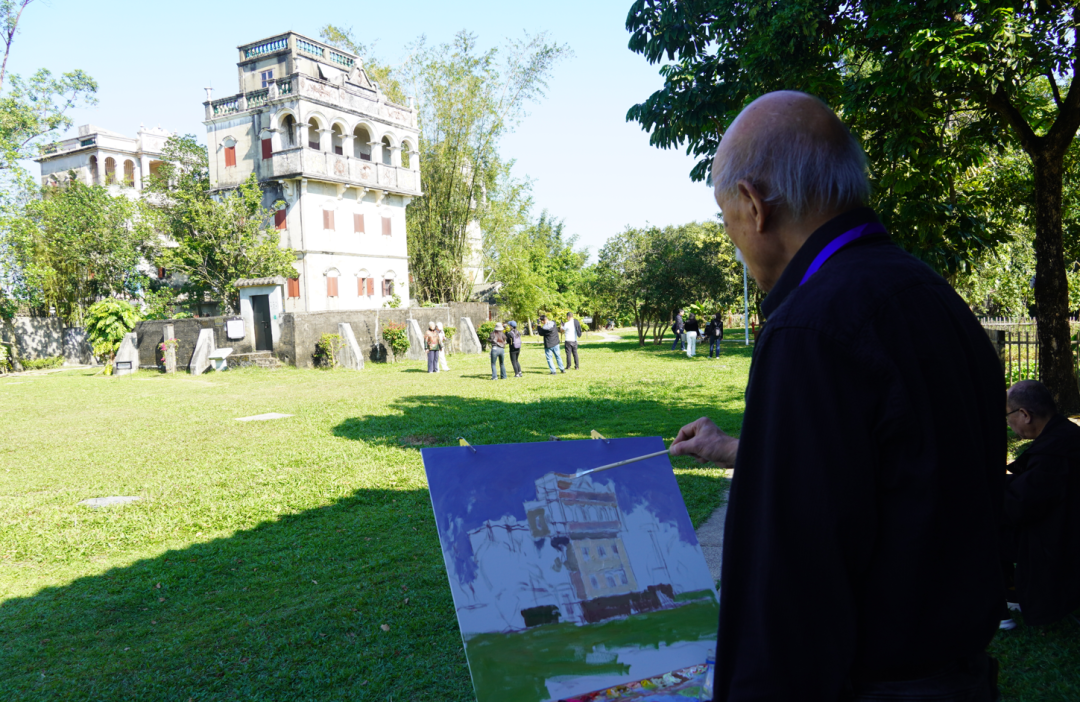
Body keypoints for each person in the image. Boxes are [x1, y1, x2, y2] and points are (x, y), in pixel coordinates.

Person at [669, 91, 1004, 700]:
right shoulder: (933, 296)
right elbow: (887, 471)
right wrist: (738, 448)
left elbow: (789, 589)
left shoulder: (811, 326)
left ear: (753, 205)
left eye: (725, 217)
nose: (732, 237)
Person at [1000, 379, 1080, 629]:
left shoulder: (1054, 452)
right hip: (1066, 529)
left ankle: (1001, 602)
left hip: (1059, 543)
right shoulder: (1067, 435)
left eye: (1008, 416)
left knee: (980, 522)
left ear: (1024, 414)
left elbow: (1020, 505)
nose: (1008, 423)